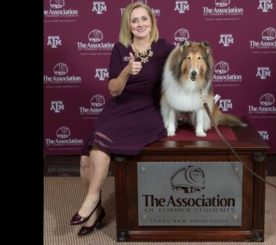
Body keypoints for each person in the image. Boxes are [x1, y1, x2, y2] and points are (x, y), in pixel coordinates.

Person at [70, 2, 175, 236]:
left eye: (144, 19)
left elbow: (184, 72)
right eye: (134, 20)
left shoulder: (165, 49)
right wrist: (127, 71)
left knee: (99, 146)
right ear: (128, 24)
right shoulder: (120, 49)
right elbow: (114, 90)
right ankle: (96, 209)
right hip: (119, 108)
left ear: (152, 22)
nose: (140, 24)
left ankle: (91, 201)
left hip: (148, 111)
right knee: (86, 159)